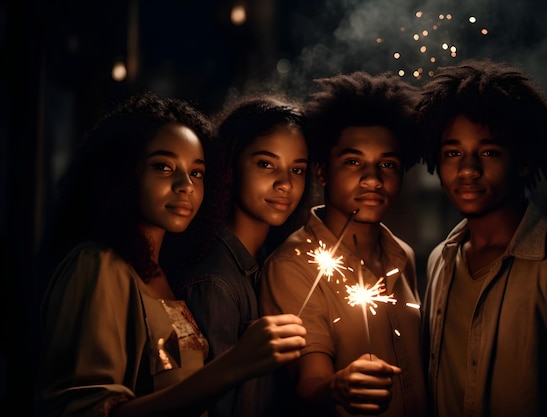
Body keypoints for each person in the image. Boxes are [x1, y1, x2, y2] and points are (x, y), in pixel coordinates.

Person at [35, 91, 306, 417]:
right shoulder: (98, 265)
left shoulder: (159, 270)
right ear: (123, 172)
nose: (185, 186)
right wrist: (234, 365)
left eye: (197, 173)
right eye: (164, 167)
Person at [415, 58, 547, 417]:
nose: (468, 169)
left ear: (524, 162)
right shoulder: (440, 260)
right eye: (453, 153)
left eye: (488, 152)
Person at [258, 71, 429, 417]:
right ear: (322, 172)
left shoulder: (404, 255)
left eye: (387, 164)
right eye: (353, 162)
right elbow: (310, 381)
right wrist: (337, 386)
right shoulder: (294, 265)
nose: (372, 178)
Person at [172, 94, 312, 417]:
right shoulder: (214, 281)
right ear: (231, 163)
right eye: (266, 164)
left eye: (298, 169)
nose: (285, 184)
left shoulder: (269, 260)